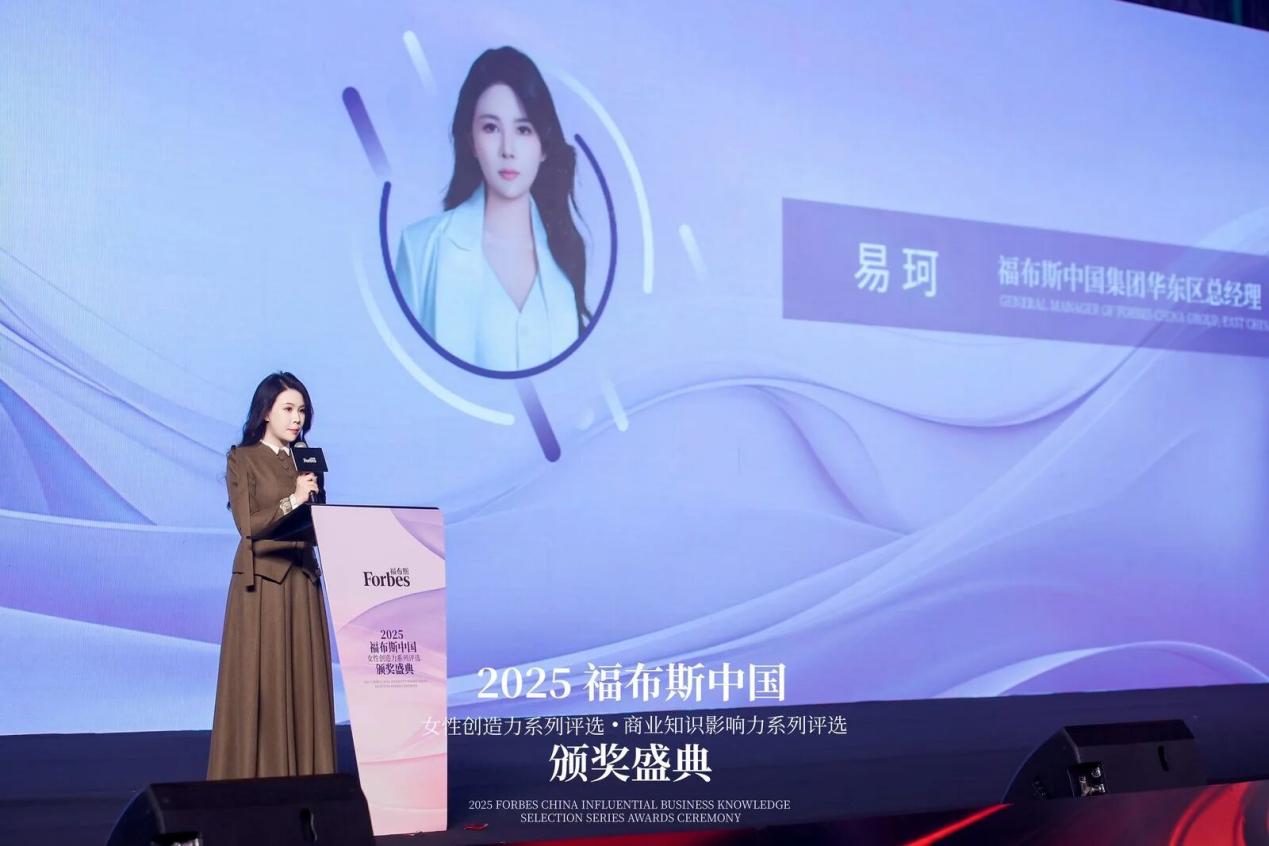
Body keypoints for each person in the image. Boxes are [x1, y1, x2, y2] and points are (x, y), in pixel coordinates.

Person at [395, 46, 590, 371]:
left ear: (544, 146)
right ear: (471, 141)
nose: (507, 149)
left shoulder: (566, 251)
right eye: (491, 128)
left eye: (523, 129)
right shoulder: (421, 249)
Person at [207, 372, 335, 779]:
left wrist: (315, 503)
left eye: (302, 411)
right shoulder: (242, 459)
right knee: (261, 684)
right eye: (288, 409)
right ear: (265, 412)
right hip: (262, 585)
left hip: (303, 582)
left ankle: (308, 780)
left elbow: (321, 522)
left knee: (304, 684)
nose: (297, 419)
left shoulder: (306, 459)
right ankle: (255, 781)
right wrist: (294, 498)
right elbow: (248, 525)